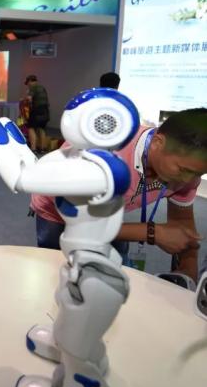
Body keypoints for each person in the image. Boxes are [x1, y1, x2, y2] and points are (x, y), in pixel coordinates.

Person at [31, 107, 207, 282]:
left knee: (114, 274)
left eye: (198, 174)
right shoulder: (102, 154)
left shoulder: (187, 174)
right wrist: (153, 233)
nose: (188, 179)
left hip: (107, 212)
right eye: (183, 170)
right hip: (58, 212)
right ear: (157, 143)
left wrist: (187, 270)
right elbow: (83, 226)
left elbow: (183, 224)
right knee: (59, 271)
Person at [24, 74, 50, 152]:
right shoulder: (42, 87)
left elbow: (29, 99)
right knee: (41, 128)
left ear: (30, 81)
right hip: (45, 110)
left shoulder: (33, 87)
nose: (28, 85)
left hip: (37, 110)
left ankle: (33, 149)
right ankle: (42, 148)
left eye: (27, 83)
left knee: (31, 128)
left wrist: (25, 99)